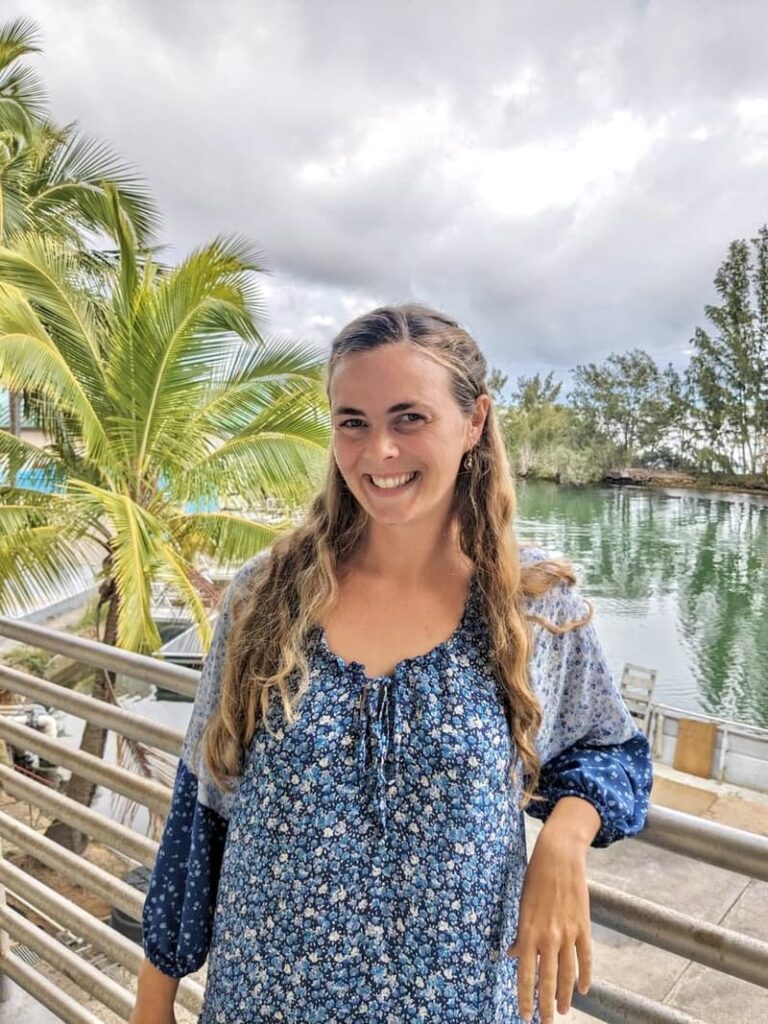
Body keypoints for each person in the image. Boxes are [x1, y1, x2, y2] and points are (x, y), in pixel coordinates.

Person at [132, 304, 653, 1024]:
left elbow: (610, 750)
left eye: (409, 418)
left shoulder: (534, 606)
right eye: (353, 422)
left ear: (473, 423)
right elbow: (201, 810)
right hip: (263, 1001)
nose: (378, 451)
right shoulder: (264, 595)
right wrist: (152, 1005)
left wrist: (564, 840)